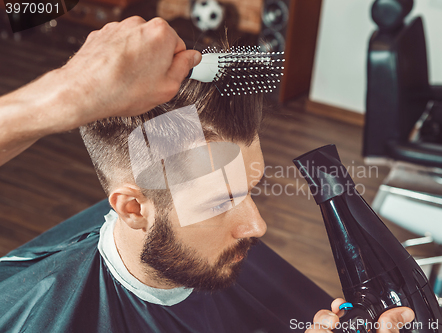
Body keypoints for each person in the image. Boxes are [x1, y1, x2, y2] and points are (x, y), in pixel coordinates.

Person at [0, 16, 415, 332]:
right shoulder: (39, 312)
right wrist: (66, 92)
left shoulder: (213, 256)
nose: (257, 226)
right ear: (133, 208)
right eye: (220, 201)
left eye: (251, 190)